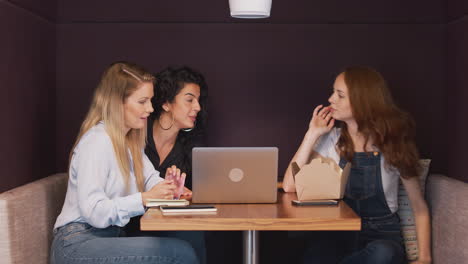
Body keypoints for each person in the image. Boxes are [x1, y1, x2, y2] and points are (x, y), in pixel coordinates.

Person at [50, 62, 199, 264]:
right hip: (76, 244)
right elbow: (94, 211)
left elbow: (149, 178)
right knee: (180, 253)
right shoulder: (97, 142)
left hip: (107, 238)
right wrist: (144, 199)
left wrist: (168, 187)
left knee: (187, 238)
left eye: (150, 101)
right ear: (117, 102)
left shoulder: (129, 143)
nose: (150, 108)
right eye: (142, 101)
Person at [282, 66, 432, 264]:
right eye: (333, 92)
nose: (330, 99)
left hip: (382, 235)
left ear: (363, 101)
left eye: (340, 95)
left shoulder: (394, 143)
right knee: (317, 256)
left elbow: (418, 206)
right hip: (338, 233)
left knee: (383, 254)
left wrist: (424, 259)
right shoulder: (331, 140)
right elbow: (289, 186)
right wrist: (312, 134)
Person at [145, 66, 207, 191]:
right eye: (189, 100)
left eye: (198, 101)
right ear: (166, 103)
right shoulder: (136, 135)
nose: (198, 107)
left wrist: (182, 194)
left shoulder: (189, 151)